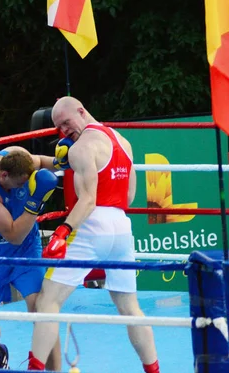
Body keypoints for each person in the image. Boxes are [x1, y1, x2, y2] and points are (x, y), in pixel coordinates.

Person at [28, 97, 160, 373]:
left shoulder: (80, 149)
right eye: (58, 127)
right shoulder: (123, 142)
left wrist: (62, 231)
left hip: (91, 224)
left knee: (47, 302)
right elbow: (130, 196)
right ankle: (154, 370)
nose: (64, 131)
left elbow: (87, 201)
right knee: (130, 308)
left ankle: (35, 369)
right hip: (121, 227)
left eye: (66, 122)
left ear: (81, 111)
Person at [0, 146, 61, 370]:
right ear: (4, 175)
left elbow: (39, 160)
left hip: (26, 250)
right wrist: (35, 202)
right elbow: (13, 235)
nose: (23, 187)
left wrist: (62, 162)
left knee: (41, 311)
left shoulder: (18, 156)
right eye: (21, 184)